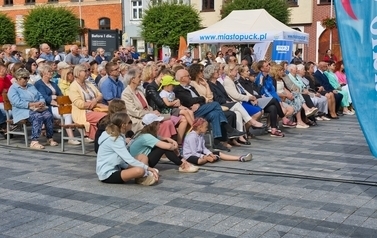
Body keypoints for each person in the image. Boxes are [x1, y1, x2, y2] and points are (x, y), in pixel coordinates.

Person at [174, 69, 245, 150]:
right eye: (187, 76)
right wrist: (202, 98)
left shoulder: (191, 87)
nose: (190, 77)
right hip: (191, 112)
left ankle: (216, 142)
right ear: (182, 78)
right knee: (215, 104)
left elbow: (198, 100)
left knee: (215, 114)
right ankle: (229, 128)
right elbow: (189, 101)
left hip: (200, 108)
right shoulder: (178, 89)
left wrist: (199, 101)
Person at [96, 112, 159, 185]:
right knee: (140, 170)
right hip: (108, 174)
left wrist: (144, 168)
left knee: (142, 157)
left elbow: (121, 160)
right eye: (130, 122)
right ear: (123, 125)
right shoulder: (115, 139)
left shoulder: (117, 135)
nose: (131, 123)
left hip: (118, 166)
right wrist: (149, 168)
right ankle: (143, 175)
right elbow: (129, 159)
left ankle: (142, 176)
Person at [128, 113, 198, 173]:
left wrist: (170, 140)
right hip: (141, 163)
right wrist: (175, 146)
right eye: (159, 123)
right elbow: (169, 147)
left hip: (137, 161)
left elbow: (162, 138)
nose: (160, 125)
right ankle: (183, 165)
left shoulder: (142, 133)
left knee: (164, 144)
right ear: (154, 125)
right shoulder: (147, 137)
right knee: (163, 148)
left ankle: (182, 161)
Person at [8, 68, 58, 149]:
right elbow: (17, 103)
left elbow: (40, 96)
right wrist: (32, 104)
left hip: (36, 108)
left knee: (48, 115)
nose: (27, 80)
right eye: (25, 78)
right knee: (37, 116)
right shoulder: (13, 89)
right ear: (18, 78)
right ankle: (34, 141)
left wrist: (41, 102)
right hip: (22, 111)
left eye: (28, 78)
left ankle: (49, 138)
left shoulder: (31, 86)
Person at [34, 65, 80, 145]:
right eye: (49, 72)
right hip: (47, 107)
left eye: (52, 71)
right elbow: (44, 97)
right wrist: (58, 103)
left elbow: (61, 95)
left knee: (74, 111)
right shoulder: (39, 84)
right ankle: (70, 138)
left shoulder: (53, 84)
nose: (51, 73)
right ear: (43, 73)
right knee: (67, 114)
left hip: (57, 105)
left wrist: (59, 101)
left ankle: (84, 135)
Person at [183, 118, 252, 165]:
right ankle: (210, 159)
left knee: (218, 153)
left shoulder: (201, 135)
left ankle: (240, 158)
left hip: (199, 153)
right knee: (200, 161)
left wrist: (210, 153)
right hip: (190, 155)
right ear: (199, 127)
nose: (207, 129)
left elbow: (203, 148)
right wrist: (205, 157)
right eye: (205, 127)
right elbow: (194, 152)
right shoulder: (192, 137)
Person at [68, 64, 107, 142]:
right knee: (106, 118)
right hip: (83, 112)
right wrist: (94, 103)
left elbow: (100, 95)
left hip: (95, 109)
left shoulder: (88, 83)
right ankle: (103, 139)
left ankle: (104, 139)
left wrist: (94, 101)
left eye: (88, 70)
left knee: (114, 114)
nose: (87, 72)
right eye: (85, 71)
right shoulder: (73, 87)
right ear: (78, 73)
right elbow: (79, 104)